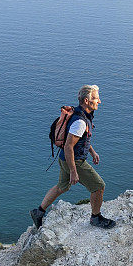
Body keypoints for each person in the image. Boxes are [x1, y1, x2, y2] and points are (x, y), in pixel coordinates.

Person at [30, 85, 116, 229]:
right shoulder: (80, 122)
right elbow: (70, 146)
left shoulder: (79, 114)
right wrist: (74, 171)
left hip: (64, 158)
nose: (99, 101)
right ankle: (96, 217)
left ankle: (38, 212)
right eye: (96, 98)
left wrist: (92, 152)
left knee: (61, 187)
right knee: (99, 186)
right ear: (87, 101)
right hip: (74, 161)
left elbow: (80, 140)